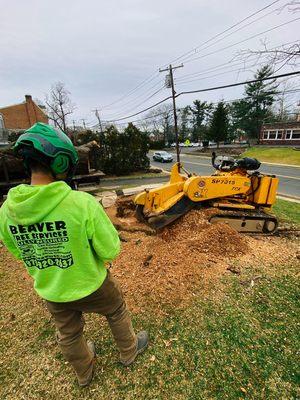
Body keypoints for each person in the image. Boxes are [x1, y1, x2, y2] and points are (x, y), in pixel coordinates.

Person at [0, 122, 148, 387]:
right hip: (92, 282)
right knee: (116, 310)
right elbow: (110, 248)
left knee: (67, 333)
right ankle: (129, 350)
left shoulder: (6, 211)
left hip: (52, 288)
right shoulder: (81, 204)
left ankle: (84, 372)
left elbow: (17, 250)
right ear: (60, 164)